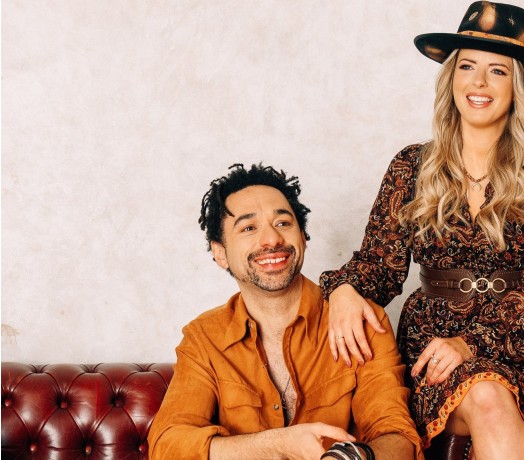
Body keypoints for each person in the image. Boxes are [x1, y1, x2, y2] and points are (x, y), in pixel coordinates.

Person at [320, 2, 524, 459]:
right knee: (486, 397)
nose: (479, 82)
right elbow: (381, 267)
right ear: (451, 78)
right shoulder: (411, 165)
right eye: (467, 66)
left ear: (518, 86)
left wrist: (472, 343)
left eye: (497, 71)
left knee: (493, 400)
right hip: (436, 343)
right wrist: (344, 289)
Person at [148, 164, 422, 460]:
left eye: (283, 223)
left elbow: (399, 439)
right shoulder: (204, 338)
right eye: (249, 228)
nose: (272, 239)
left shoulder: (362, 321)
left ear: (302, 237)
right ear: (220, 253)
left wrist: (349, 457)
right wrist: (276, 445)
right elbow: (168, 445)